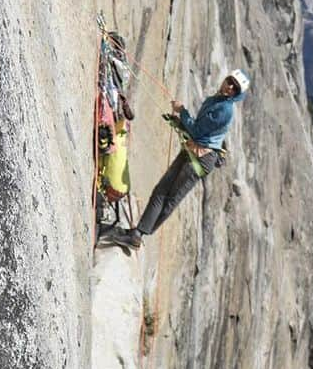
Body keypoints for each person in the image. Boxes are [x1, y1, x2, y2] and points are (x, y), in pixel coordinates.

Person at [98, 69, 250, 251]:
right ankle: (137, 234)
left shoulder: (225, 110)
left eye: (234, 88)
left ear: (237, 94)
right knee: (161, 190)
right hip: (194, 150)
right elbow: (200, 131)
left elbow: (197, 130)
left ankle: (138, 234)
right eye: (229, 81)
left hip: (201, 159)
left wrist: (182, 112)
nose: (229, 87)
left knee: (171, 197)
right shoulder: (216, 100)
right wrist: (179, 122)